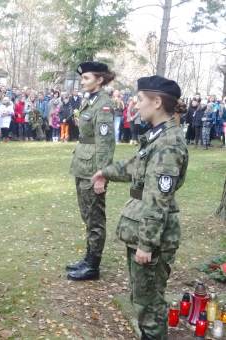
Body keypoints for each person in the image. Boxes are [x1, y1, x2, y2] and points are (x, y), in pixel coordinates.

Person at [91, 75, 188, 340]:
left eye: (141, 99)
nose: (136, 103)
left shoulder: (168, 144)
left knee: (150, 303)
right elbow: (134, 165)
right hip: (142, 227)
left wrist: (146, 243)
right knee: (142, 297)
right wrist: (105, 172)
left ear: (157, 102)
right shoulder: (158, 137)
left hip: (152, 234)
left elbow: (159, 199)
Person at [66, 61, 116, 281]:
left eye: (86, 78)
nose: (82, 81)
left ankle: (93, 266)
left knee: (95, 218)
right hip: (83, 164)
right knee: (87, 215)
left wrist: (102, 175)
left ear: (100, 79)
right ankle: (88, 258)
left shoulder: (104, 104)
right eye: (82, 78)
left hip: (93, 169)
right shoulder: (91, 100)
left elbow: (105, 144)